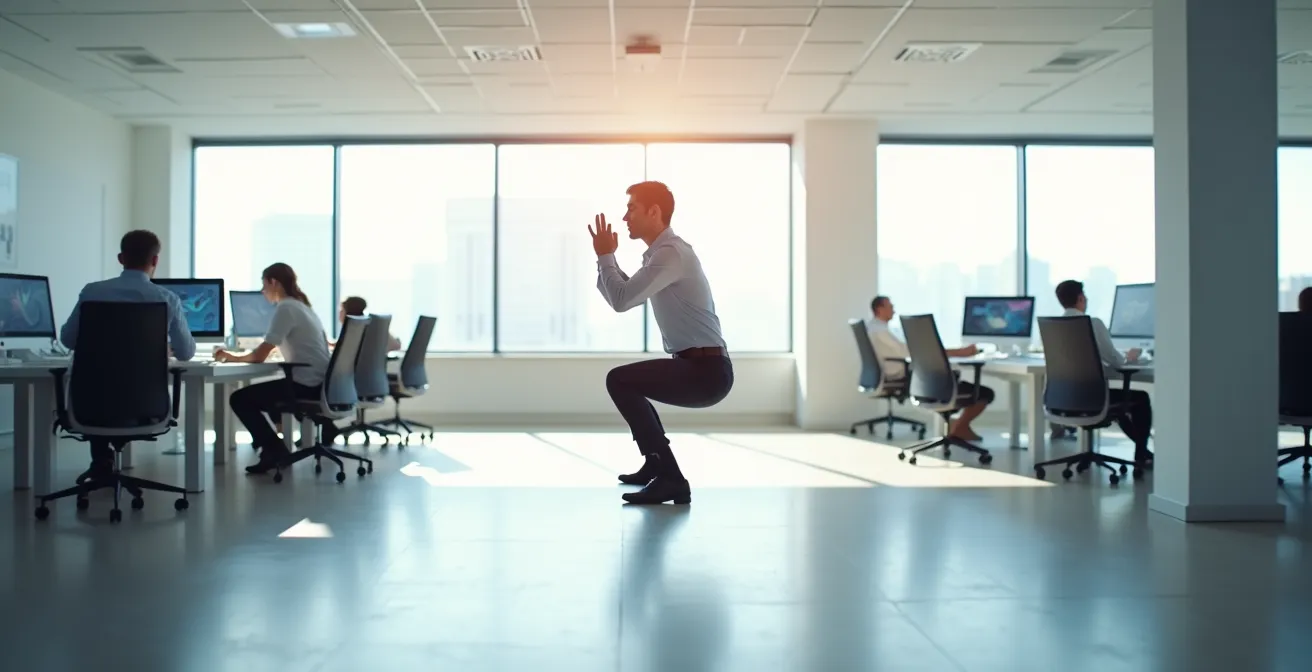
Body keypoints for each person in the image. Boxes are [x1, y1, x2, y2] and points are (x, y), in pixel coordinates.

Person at [591, 181, 733, 505]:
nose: (625, 217)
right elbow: (624, 294)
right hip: (695, 366)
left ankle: (671, 477)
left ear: (654, 212)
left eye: (632, 208)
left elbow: (622, 299)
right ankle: (656, 464)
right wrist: (606, 259)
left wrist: (605, 256)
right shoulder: (662, 255)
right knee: (627, 383)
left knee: (620, 380)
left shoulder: (671, 254)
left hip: (706, 372)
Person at [59, 230, 196, 481]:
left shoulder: (92, 292)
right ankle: (104, 462)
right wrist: (161, 348)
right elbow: (186, 353)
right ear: (155, 261)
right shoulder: (167, 298)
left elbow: (67, 340)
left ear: (121, 258)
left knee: (101, 385)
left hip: (89, 405)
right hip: (147, 407)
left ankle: (101, 460)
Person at [213, 263, 336, 474]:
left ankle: (274, 449)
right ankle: (274, 448)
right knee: (265, 395)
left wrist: (230, 356)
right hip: (320, 382)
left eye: (264, 286)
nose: (263, 292)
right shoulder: (302, 306)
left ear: (273, 282)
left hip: (306, 384)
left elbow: (260, 355)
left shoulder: (286, 307)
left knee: (239, 399)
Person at [1055, 279, 1153, 465]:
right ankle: (1141, 454)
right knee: (1139, 399)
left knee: (1123, 404)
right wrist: (1130, 357)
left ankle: (1144, 453)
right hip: (1093, 401)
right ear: (1081, 298)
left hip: (1062, 401)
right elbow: (1116, 361)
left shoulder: (1055, 327)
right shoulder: (1092, 323)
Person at [866, 295, 991, 440]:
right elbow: (910, 352)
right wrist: (960, 352)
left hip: (911, 377)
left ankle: (956, 425)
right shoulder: (880, 330)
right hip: (907, 375)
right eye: (891, 307)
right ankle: (959, 427)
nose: (894, 310)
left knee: (954, 380)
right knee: (984, 393)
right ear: (879, 309)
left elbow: (912, 351)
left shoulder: (874, 327)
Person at [336, 295, 402, 351]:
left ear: (348, 313)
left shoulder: (357, 329)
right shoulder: (367, 325)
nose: (339, 313)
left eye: (342, 310)